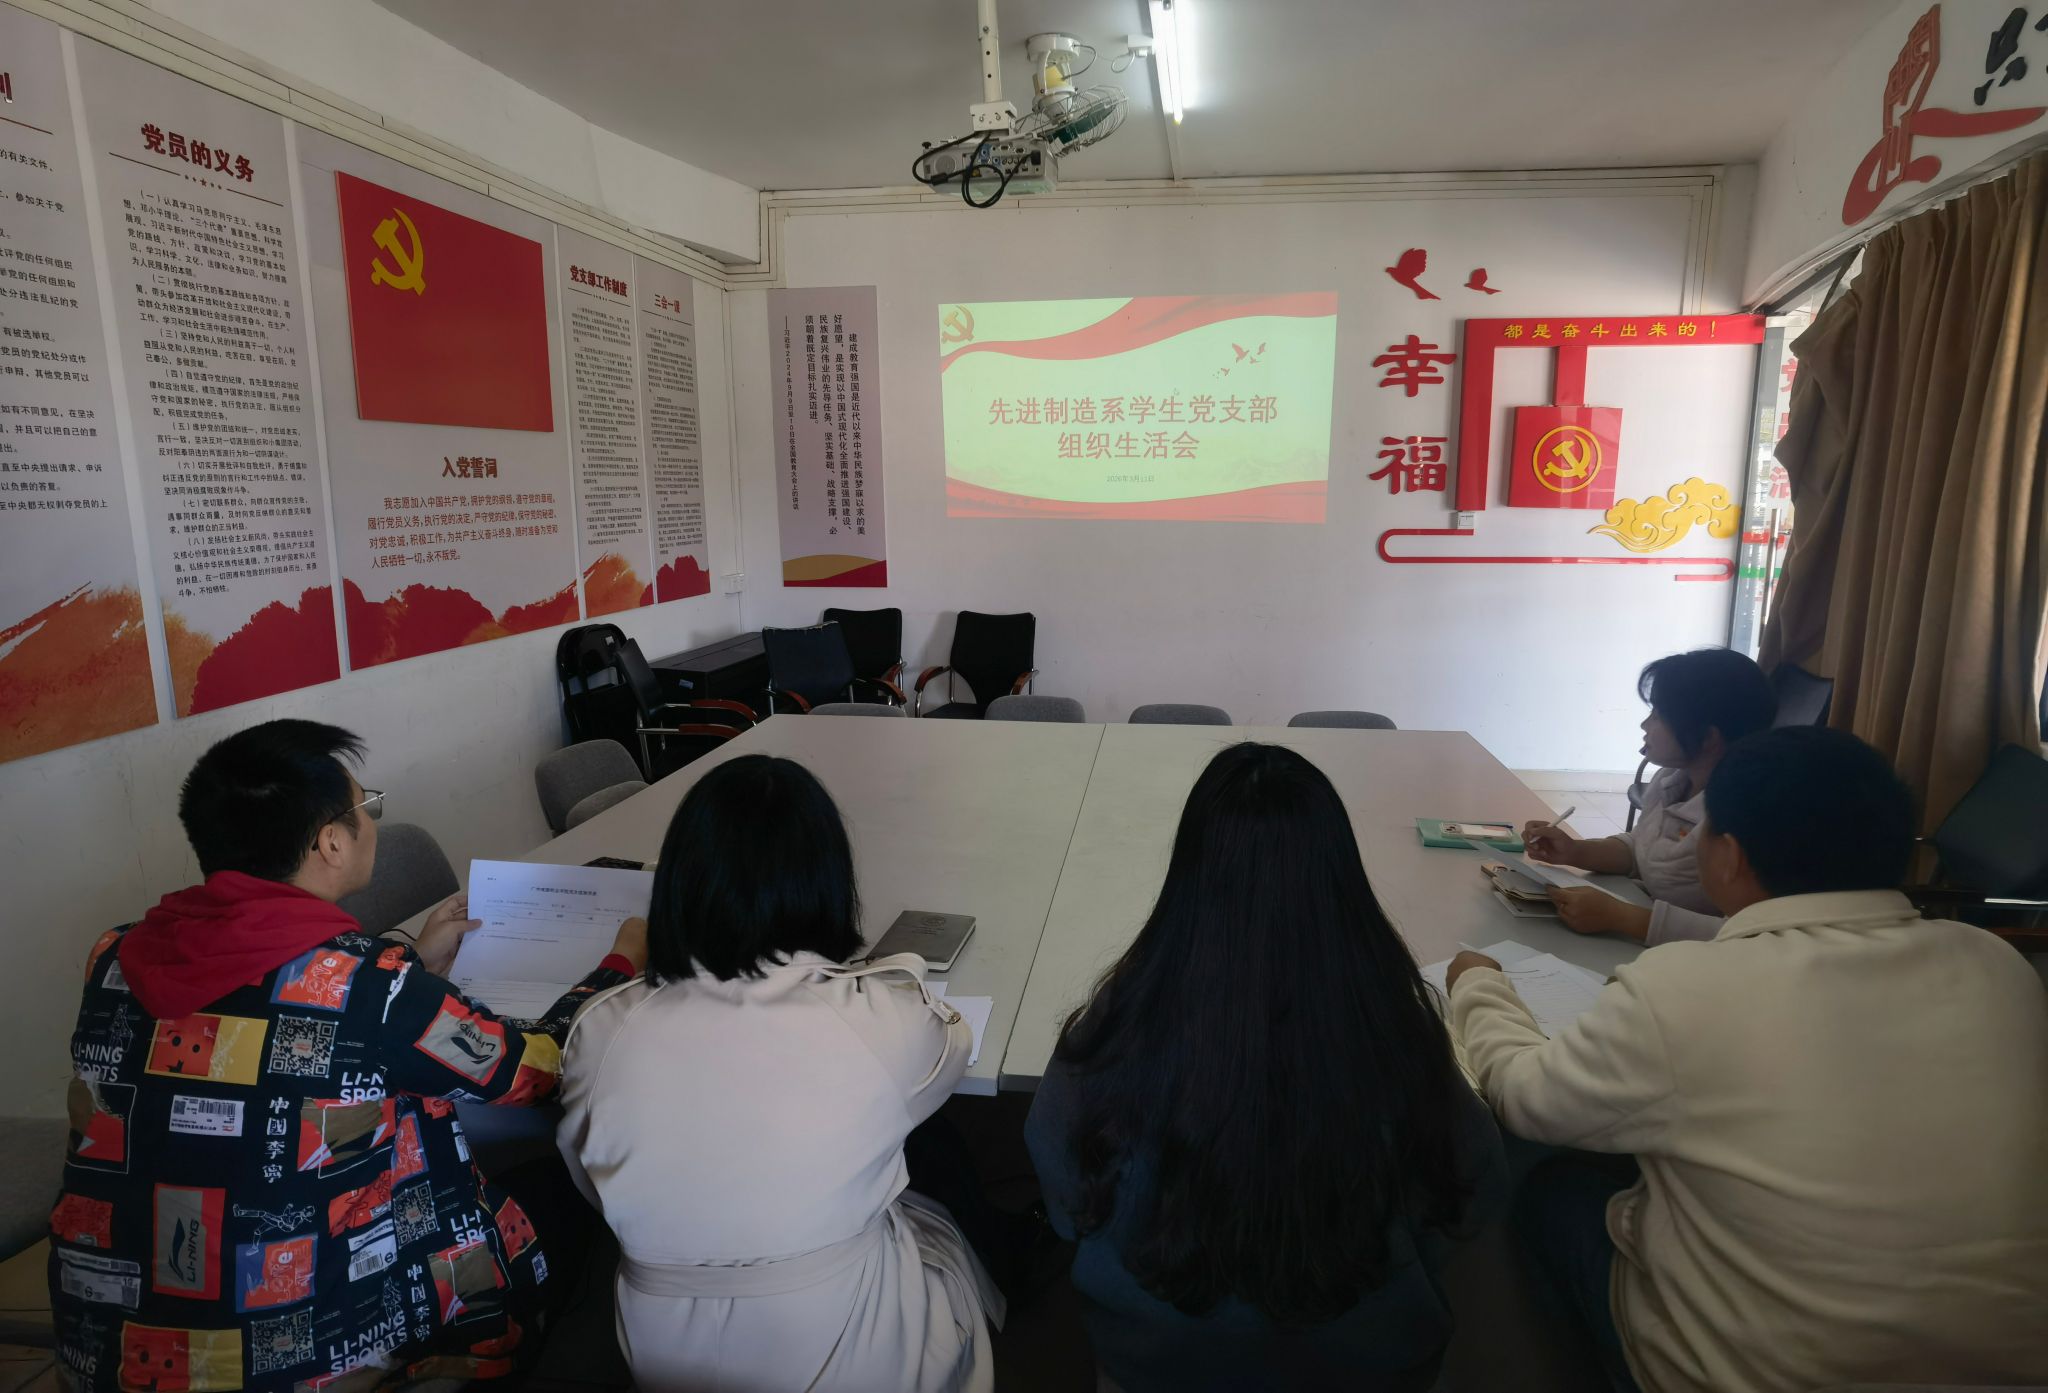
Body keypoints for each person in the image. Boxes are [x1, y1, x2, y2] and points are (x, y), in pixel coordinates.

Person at [47, 720, 644, 1393]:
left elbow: (265, 1014)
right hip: (303, 1352)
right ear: (331, 841)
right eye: (368, 808)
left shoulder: (114, 956)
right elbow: (536, 1069)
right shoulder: (370, 984)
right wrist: (619, 964)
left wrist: (409, 966)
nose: (371, 824)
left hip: (110, 1346)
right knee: (572, 1194)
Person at [1446, 727, 2048, 1393]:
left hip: (1764, 1375)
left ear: (1728, 855)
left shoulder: (1685, 987)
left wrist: (1478, 984)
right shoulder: (2001, 967)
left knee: (1550, 1188)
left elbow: (1525, 1099)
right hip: (2006, 1369)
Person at [1024, 744, 1507, 1392]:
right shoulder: (1390, 1023)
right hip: (1366, 1365)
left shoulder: (1125, 1016)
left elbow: (1062, 1186)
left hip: (1157, 1362)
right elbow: (1470, 1190)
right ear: (1338, 877)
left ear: (1190, 872)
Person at [556, 754, 1003, 1392]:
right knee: (939, 1186)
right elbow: (951, 1045)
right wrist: (892, 967)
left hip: (664, 1350)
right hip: (848, 1356)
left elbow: (593, 1182)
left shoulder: (601, 1030)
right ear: (826, 881)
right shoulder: (874, 1017)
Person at [1522, 648, 1774, 944]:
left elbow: (1750, 935)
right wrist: (1575, 851)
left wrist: (1622, 917)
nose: (1645, 726)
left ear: (1708, 738)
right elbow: (1642, 848)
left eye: (1659, 716)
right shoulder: (1671, 778)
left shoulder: (1743, 816)